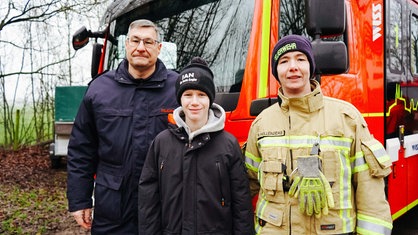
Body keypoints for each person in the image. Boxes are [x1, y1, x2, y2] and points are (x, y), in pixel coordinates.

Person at [244, 35, 393, 235]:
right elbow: (246, 184)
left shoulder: (346, 118)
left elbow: (370, 191)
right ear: (276, 72)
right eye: (284, 61)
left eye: (300, 59)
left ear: (311, 67)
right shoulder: (261, 124)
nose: (293, 66)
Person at [66, 19, 178, 234]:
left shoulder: (178, 89)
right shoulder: (99, 89)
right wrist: (80, 200)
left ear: (159, 48)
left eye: (148, 42)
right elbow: (82, 149)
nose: (141, 48)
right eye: (135, 40)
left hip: (165, 206)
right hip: (113, 209)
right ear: (126, 44)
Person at [138, 57, 255, 234]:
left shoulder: (228, 144)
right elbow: (148, 201)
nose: (194, 102)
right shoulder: (161, 143)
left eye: (201, 95)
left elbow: (241, 203)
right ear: (180, 99)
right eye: (188, 95)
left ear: (210, 99)